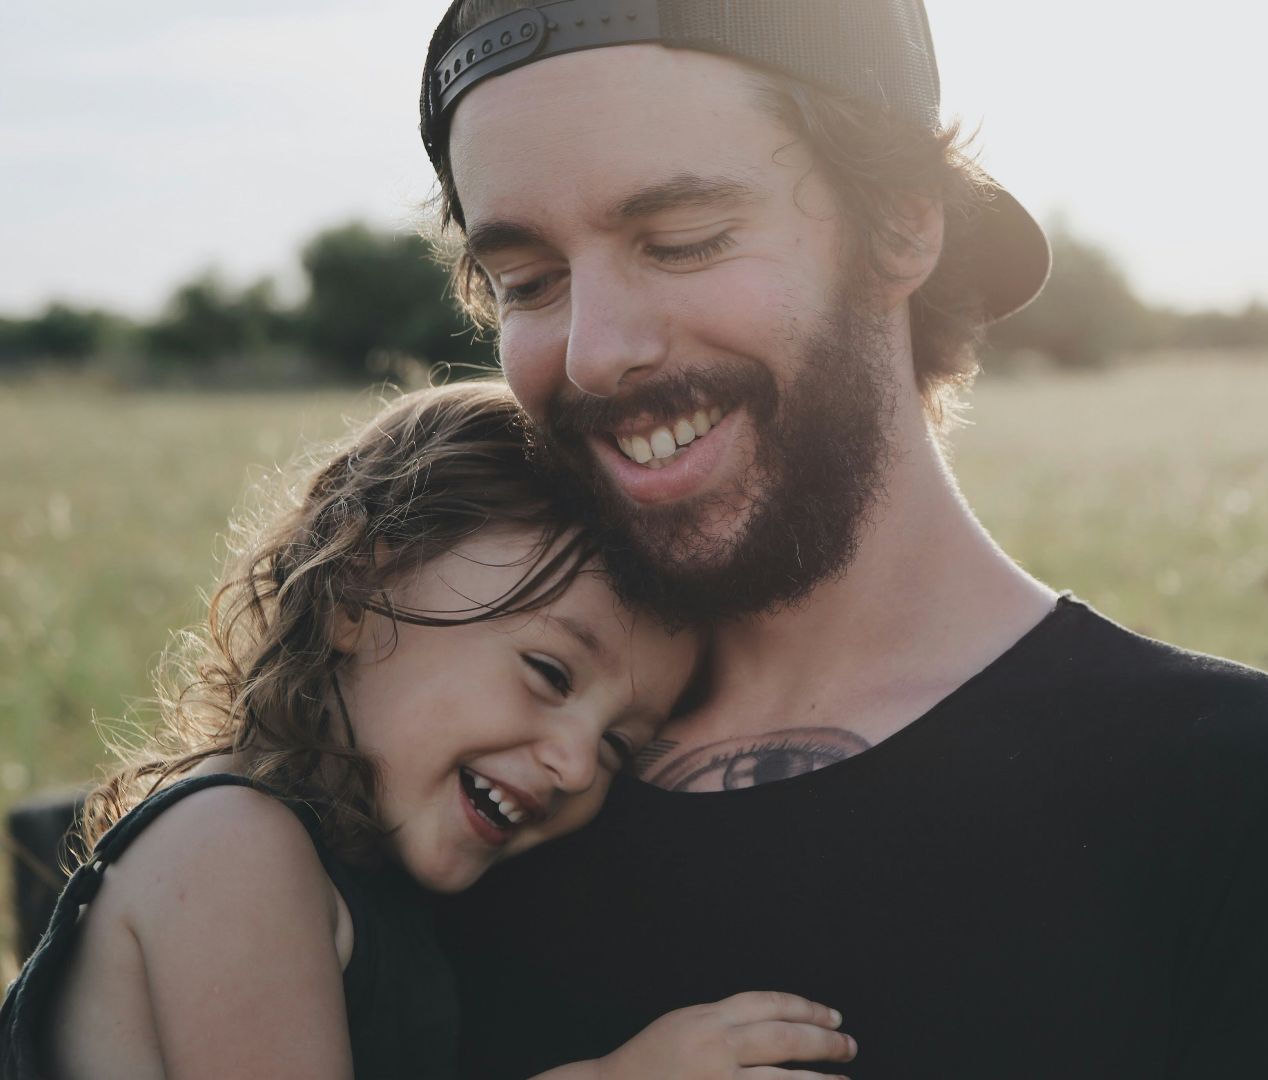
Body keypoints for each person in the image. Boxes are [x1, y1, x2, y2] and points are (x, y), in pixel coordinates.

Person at [421, 1, 1268, 1075]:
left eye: (682, 240)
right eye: (528, 282)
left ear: (902, 227)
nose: (593, 353)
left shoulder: (1234, 795)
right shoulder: (458, 776)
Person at [0, 383, 859, 1079]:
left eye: (615, 748)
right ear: (356, 585)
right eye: (550, 674)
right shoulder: (232, 846)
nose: (571, 764)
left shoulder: (364, 886)